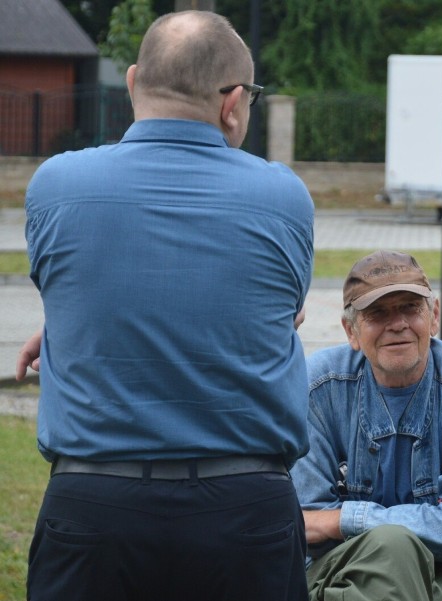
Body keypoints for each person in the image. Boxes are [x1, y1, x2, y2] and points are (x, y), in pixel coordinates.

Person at [16, 11, 313, 601]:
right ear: (232, 104)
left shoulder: (55, 185)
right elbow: (277, 312)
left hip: (93, 508)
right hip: (245, 508)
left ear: (131, 83)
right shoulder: (283, 196)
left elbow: (82, 288)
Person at [291, 250, 442, 601]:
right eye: (377, 313)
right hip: (347, 570)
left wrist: (343, 519)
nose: (397, 323)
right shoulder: (318, 386)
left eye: (410, 307)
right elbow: (308, 530)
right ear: (351, 331)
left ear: (433, 317)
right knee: (391, 549)